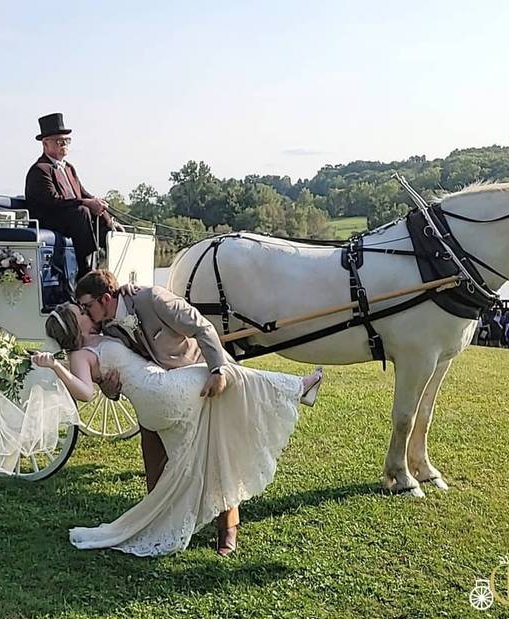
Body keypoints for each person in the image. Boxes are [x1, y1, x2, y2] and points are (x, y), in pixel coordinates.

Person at [33, 300, 322, 557]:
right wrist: (57, 368)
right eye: (79, 312)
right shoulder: (80, 355)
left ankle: (177, 523)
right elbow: (85, 393)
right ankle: (298, 387)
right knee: (226, 371)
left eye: (85, 307)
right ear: (75, 325)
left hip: (155, 407)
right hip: (161, 392)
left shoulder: (108, 330)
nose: (85, 312)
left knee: (197, 457)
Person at [24, 113, 122, 278]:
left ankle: (110, 256)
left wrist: (106, 215)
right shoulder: (40, 170)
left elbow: (83, 194)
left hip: (71, 218)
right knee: (82, 211)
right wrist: (87, 203)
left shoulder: (69, 168)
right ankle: (85, 269)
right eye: (59, 141)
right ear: (45, 143)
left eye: (66, 140)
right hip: (50, 219)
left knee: (93, 210)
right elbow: (53, 201)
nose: (64, 144)